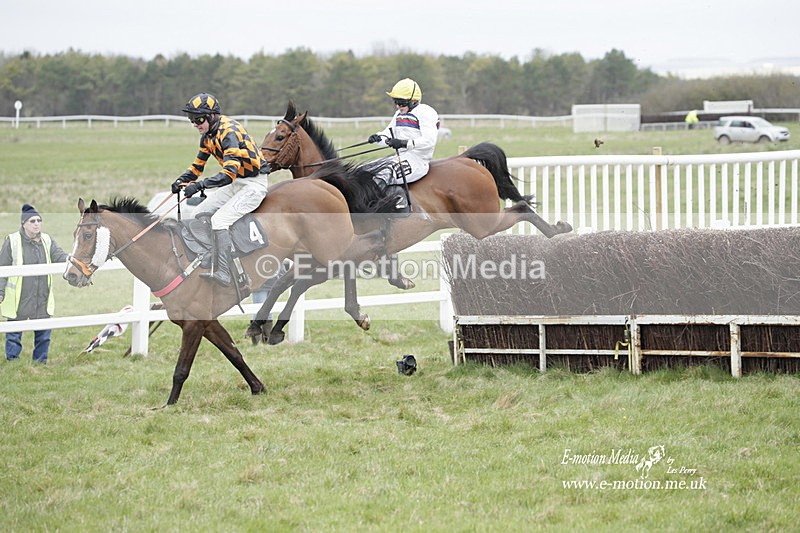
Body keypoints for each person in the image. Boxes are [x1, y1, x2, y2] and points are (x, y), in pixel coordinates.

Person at [171, 92, 269, 287]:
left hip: (253, 185)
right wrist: (182, 180)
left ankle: (225, 271)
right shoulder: (207, 136)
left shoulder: (228, 133)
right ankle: (212, 256)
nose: (195, 124)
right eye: (191, 120)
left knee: (219, 220)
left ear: (212, 116)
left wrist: (198, 186)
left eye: (198, 119)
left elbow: (227, 175)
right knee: (199, 212)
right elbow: (197, 167)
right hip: (237, 185)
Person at [0, 204, 68, 363]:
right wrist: (0, 291)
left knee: (44, 334)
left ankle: (40, 363)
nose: (36, 223)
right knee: (14, 334)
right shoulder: (12, 241)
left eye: (39, 220)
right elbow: (2, 268)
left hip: (42, 296)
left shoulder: (47, 240)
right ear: (24, 223)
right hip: (20, 299)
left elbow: (60, 256)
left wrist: (74, 260)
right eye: (32, 221)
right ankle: (13, 363)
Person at [366, 78, 440, 212]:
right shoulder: (398, 114)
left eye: (401, 103)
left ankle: (398, 202)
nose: (398, 106)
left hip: (418, 161)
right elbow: (388, 134)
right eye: (396, 102)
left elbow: (429, 141)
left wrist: (403, 143)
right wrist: (378, 138)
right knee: (367, 170)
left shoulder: (426, 113)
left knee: (384, 173)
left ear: (413, 101)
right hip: (401, 157)